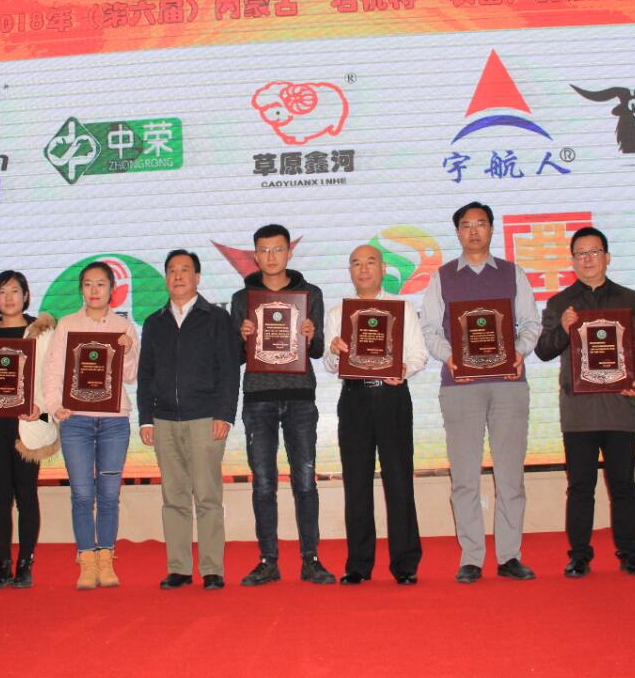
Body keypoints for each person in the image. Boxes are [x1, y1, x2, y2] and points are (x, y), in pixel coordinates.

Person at [421, 201, 542, 584]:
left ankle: (509, 556)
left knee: (510, 476)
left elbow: (531, 323)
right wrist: (452, 358)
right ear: (458, 231)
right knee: (464, 477)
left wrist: (518, 352)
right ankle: (471, 557)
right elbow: (429, 330)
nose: (474, 231)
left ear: (492, 229)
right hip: (460, 386)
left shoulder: (513, 273)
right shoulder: (442, 277)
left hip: (509, 384)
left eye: (481, 224)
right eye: (466, 225)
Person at [534, 227, 635, 578]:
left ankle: (631, 554)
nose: (587, 259)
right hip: (579, 411)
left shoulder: (629, 299)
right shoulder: (560, 303)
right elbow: (543, 351)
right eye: (581, 254)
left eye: (594, 252)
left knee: (623, 485)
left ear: (607, 257)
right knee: (580, 487)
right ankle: (579, 556)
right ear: (572, 261)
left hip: (619, 406)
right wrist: (563, 328)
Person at [229, 224, 333, 586]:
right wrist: (241, 337)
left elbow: (317, 350)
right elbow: (236, 357)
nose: (271, 256)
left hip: (300, 397)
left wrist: (311, 336)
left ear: (289, 252)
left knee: (305, 481)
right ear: (255, 255)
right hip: (258, 398)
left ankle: (311, 560)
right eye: (264, 250)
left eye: (277, 249)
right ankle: (268, 560)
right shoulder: (242, 298)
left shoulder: (310, 294)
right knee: (263, 483)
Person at [324, 245, 428, 585]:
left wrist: (403, 369)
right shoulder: (338, 312)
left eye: (371, 262)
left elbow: (419, 355)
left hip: (392, 397)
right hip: (354, 398)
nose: (364, 269)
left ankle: (405, 564)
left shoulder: (402, 308)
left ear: (383, 269)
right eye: (356, 263)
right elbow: (330, 365)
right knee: (356, 482)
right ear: (350, 271)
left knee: (399, 479)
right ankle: (358, 564)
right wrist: (334, 351)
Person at [137, 249, 239, 591]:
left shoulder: (217, 318)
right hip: (164, 420)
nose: (178, 276)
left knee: (207, 496)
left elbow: (229, 371)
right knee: (174, 497)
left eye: (185, 270)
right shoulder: (154, 322)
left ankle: (212, 569)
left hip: (205, 418)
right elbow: (146, 374)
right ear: (166, 278)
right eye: (172, 270)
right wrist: (146, 419)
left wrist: (224, 414)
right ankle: (178, 568)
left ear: (197, 277)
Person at [45, 261, 139, 590]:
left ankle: (106, 559)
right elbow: (53, 370)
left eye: (101, 284)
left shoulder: (124, 326)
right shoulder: (67, 324)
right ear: (81, 289)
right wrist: (54, 406)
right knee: (83, 493)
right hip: (76, 421)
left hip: (114, 422)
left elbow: (131, 376)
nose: (94, 290)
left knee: (109, 494)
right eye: (88, 284)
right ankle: (86, 559)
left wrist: (129, 351)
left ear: (112, 289)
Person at [0, 271, 57, 589]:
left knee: (27, 495)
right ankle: (2, 565)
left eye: (15, 291)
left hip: (27, 424)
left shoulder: (42, 331)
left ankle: (25, 564)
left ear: (26, 295)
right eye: (2, 291)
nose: (8, 297)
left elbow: (52, 378)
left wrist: (41, 409)